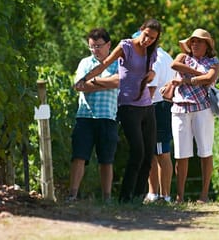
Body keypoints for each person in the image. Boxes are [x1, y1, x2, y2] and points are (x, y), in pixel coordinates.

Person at [75, 19, 162, 203]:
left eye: (152, 38)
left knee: (148, 154)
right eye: (146, 35)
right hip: (128, 106)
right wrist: (84, 79)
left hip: (146, 105)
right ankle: (125, 197)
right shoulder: (126, 46)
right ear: (141, 30)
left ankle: (139, 197)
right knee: (137, 151)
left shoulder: (151, 51)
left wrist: (152, 75)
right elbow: (104, 65)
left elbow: (151, 72)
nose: (148, 40)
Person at [67, 28, 121, 202]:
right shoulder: (85, 62)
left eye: (98, 46)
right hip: (85, 116)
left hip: (108, 117)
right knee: (79, 156)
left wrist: (93, 81)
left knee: (106, 160)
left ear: (108, 45)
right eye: (91, 46)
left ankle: (107, 198)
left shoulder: (118, 62)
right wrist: (105, 83)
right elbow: (79, 85)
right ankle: (72, 195)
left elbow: (119, 81)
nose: (95, 50)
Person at [169, 28, 219, 203]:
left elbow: (210, 78)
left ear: (207, 45)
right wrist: (200, 74)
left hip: (202, 108)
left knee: (205, 151)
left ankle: (204, 195)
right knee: (180, 154)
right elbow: (174, 65)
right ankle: (180, 196)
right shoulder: (182, 57)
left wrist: (185, 80)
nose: (195, 44)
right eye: (193, 41)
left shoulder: (214, 61)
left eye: (199, 41)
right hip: (179, 108)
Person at [145, 39, 176, 204]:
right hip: (165, 105)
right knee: (156, 152)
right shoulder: (167, 57)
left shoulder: (154, 59)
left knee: (160, 152)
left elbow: (151, 88)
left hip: (156, 106)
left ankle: (162, 195)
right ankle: (157, 194)